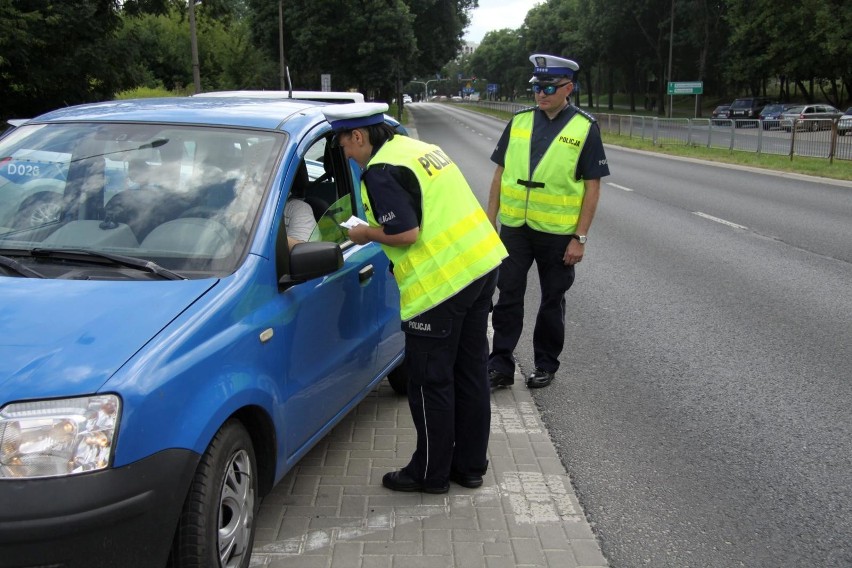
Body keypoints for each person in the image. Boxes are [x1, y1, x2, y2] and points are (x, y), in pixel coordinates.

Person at [322, 102, 507, 494]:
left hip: (439, 285)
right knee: (470, 372)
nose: (347, 155)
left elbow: (407, 233)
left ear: (358, 136)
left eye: (345, 146)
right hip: (480, 265)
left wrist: (365, 234)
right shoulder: (419, 150)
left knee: (429, 382)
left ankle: (429, 473)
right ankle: (470, 466)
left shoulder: (381, 172)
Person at [486, 53, 610, 390]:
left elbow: (592, 186)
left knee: (551, 299)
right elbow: (500, 173)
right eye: (536, 87)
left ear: (568, 88)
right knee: (508, 294)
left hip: (558, 233)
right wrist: (490, 219)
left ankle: (545, 364)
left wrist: (579, 237)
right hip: (515, 228)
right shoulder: (520, 121)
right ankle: (499, 365)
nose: (541, 94)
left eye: (548, 88)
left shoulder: (585, 127)